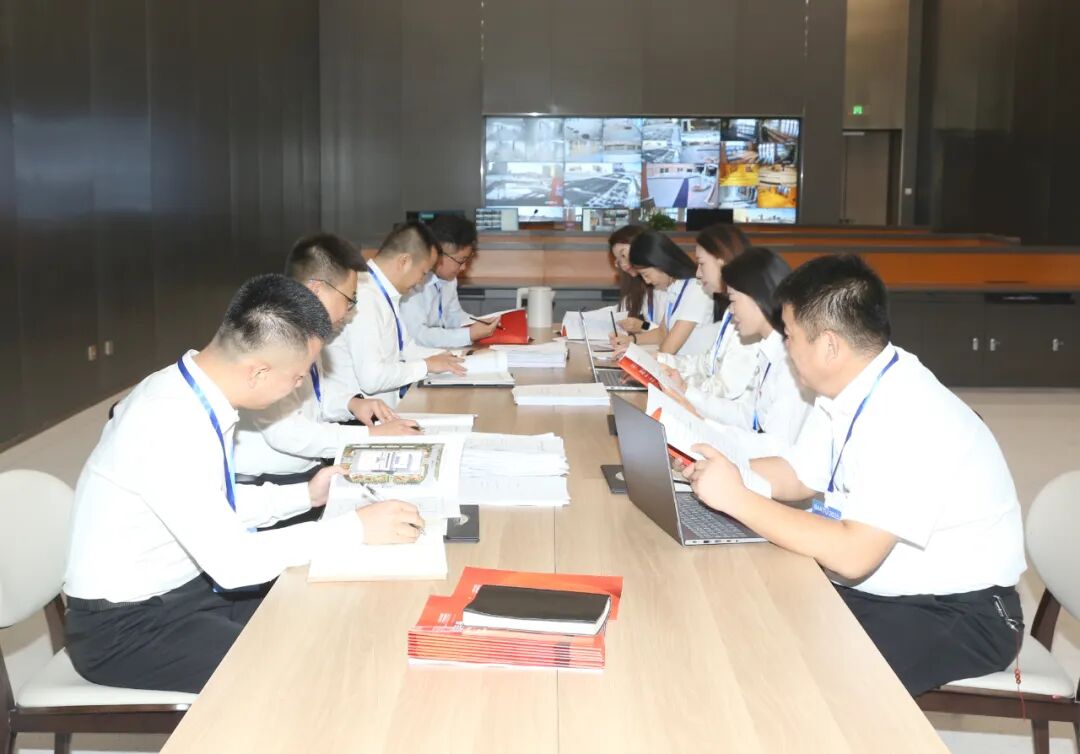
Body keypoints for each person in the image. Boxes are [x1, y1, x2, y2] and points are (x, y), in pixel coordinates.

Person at [63, 275, 425, 694]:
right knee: (302, 671)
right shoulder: (167, 422)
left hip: (186, 589)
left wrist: (305, 494)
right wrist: (356, 528)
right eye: (298, 376)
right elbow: (235, 564)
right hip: (126, 628)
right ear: (258, 371)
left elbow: (210, 505)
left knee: (324, 614)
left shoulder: (188, 388)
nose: (299, 386)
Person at [685, 254, 1026, 696]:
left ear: (829, 346)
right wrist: (718, 472)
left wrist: (737, 498)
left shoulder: (911, 413)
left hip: (960, 613)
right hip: (879, 590)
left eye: (790, 336)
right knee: (747, 617)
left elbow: (853, 554)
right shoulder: (849, 386)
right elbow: (798, 475)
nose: (786, 348)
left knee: (793, 678)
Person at [233, 234, 419, 487]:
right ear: (316, 289)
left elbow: (314, 397)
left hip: (304, 469)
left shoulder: (307, 330)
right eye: (349, 299)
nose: (350, 311)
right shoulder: (274, 336)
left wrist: (351, 403)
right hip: (269, 485)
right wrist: (370, 434)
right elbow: (287, 432)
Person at [666, 247, 812, 453]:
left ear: (757, 297)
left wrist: (704, 427)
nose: (731, 310)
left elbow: (774, 447)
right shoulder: (770, 348)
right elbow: (748, 415)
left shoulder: (789, 361)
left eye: (734, 300)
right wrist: (686, 393)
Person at [322, 222, 465, 408]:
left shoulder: (383, 292)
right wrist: (426, 366)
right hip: (359, 417)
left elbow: (407, 349)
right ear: (404, 262)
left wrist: (459, 357)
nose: (421, 282)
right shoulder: (364, 297)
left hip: (386, 409)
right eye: (423, 273)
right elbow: (372, 379)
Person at [658, 224, 759, 399]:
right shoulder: (732, 309)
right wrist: (660, 360)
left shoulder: (748, 314)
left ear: (722, 261)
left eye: (702, 263)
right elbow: (708, 363)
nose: (697, 273)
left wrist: (683, 385)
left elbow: (725, 389)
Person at [400, 215, 499, 348]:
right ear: (437, 254)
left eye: (466, 260)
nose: (463, 267)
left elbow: (454, 315)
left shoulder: (450, 279)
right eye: (460, 260)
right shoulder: (413, 282)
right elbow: (417, 335)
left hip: (439, 351)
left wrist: (480, 323)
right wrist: (468, 334)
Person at [608, 230, 713, 355]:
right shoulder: (674, 288)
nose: (646, 281)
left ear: (661, 264)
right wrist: (631, 340)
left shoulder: (695, 289)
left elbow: (668, 349)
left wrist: (636, 355)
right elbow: (662, 333)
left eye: (646, 274)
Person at [606, 224, 653, 332]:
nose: (622, 265)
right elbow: (619, 311)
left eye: (623, 255)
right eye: (618, 260)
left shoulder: (664, 285)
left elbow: (665, 331)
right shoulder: (637, 286)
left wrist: (642, 326)